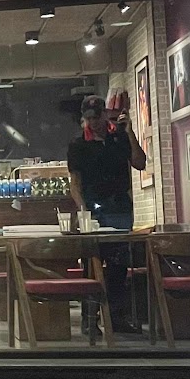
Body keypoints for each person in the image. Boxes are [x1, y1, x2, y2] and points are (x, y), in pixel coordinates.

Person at [67, 94, 148, 333]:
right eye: (89, 118)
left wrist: (130, 133)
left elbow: (140, 163)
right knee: (91, 265)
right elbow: (75, 182)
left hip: (120, 206)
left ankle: (116, 318)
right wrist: (82, 209)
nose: (93, 122)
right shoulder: (78, 144)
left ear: (105, 114)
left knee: (119, 265)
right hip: (93, 207)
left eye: (97, 117)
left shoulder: (119, 137)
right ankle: (89, 319)